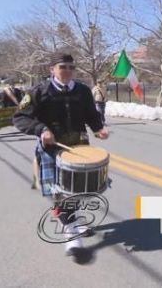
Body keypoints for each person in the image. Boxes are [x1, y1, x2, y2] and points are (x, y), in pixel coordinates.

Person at [13, 51, 109, 261]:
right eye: (62, 67)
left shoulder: (83, 91)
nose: (67, 71)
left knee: (79, 190)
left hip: (79, 147)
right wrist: (40, 129)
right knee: (60, 193)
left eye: (70, 67)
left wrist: (98, 128)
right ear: (52, 69)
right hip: (52, 149)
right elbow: (20, 118)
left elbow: (91, 114)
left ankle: (72, 219)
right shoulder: (39, 91)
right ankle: (72, 235)